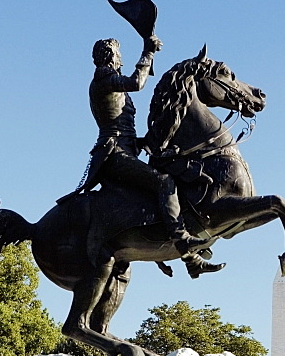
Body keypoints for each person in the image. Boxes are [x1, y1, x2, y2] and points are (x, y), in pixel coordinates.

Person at [63, 36, 223, 277]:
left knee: (167, 178)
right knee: (164, 182)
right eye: (118, 54)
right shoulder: (103, 79)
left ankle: (190, 259)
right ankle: (181, 240)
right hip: (114, 153)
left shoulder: (109, 82)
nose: (121, 59)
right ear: (110, 56)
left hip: (127, 148)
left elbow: (125, 126)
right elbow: (137, 83)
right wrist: (148, 53)